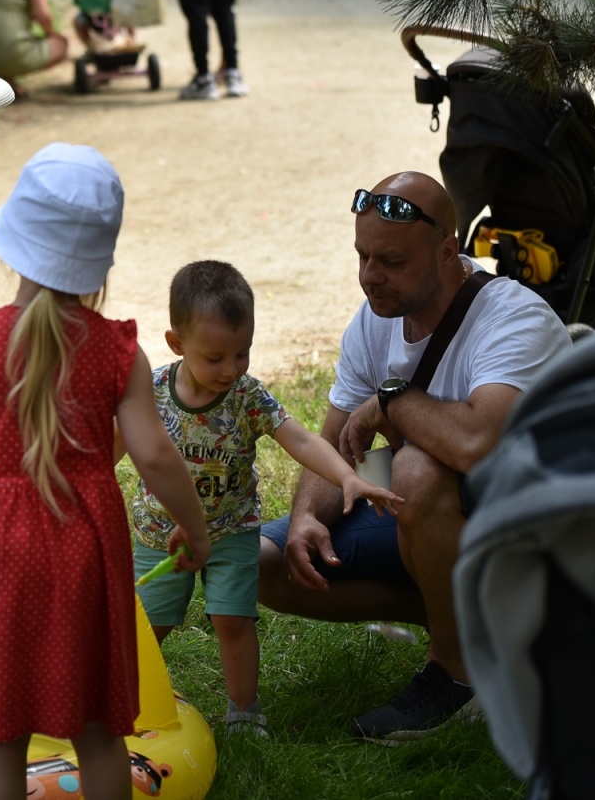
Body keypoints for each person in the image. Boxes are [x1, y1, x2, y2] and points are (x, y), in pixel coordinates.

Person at [0, 143, 210, 800]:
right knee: (97, 725)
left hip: (1, 544)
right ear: (97, 264)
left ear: (14, 244)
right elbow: (153, 455)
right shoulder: (119, 349)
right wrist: (196, 529)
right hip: (86, 540)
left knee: (0, 729)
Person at [258, 172, 570, 743]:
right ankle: (475, 625)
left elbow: (479, 443)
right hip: (438, 515)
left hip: (538, 532)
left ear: (448, 250)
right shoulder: (374, 320)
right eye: (363, 256)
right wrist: (306, 517)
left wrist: (394, 403)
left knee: (413, 467)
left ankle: (460, 676)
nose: (370, 277)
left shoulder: (514, 318)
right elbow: (334, 448)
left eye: (391, 261)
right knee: (261, 561)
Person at [130, 260, 402, 736]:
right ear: (176, 343)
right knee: (148, 627)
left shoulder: (247, 397)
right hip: (160, 535)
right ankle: (123, 702)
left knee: (231, 619)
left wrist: (348, 476)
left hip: (232, 530)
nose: (231, 369)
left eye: (243, 352)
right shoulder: (151, 393)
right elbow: (113, 446)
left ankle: (244, 713)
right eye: (215, 358)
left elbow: (300, 441)